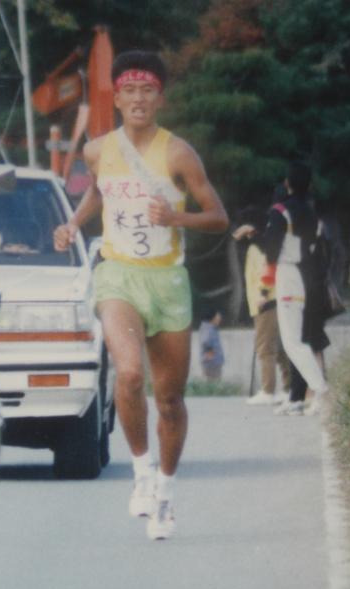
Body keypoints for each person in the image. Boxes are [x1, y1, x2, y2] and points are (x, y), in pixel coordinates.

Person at [53, 50, 228, 540]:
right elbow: (98, 191)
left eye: (147, 91)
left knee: (169, 400)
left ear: (160, 98)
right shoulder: (97, 150)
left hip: (167, 282)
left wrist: (176, 217)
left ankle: (165, 497)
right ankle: (142, 473)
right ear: (117, 98)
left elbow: (219, 217)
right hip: (119, 276)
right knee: (129, 374)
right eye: (128, 91)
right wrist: (73, 223)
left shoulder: (179, 154)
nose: (137, 99)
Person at [234, 161, 329, 416]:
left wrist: (254, 236)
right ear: (309, 185)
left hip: (288, 276)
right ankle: (299, 398)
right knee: (297, 341)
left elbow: (272, 251)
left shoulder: (280, 211)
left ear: (287, 184)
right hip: (307, 276)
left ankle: (321, 391)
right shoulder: (311, 213)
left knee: (293, 342)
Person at [233, 206, 290, 405]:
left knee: (265, 347)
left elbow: (266, 270)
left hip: (265, 302)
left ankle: (268, 391)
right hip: (271, 300)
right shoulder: (261, 244)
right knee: (279, 348)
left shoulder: (257, 247)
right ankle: (289, 388)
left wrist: (264, 293)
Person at [198, 307, 224, 381]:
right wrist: (210, 353)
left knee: (213, 382)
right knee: (213, 383)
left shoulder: (211, 328)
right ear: (212, 318)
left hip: (213, 362)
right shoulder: (208, 328)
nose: (220, 319)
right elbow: (205, 341)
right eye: (218, 317)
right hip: (211, 364)